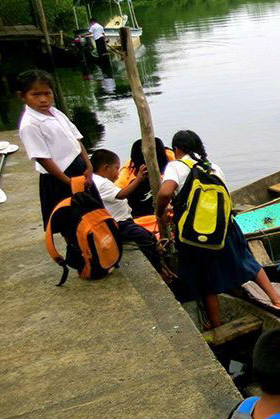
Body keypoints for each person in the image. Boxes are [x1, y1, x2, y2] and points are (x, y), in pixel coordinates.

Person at [156, 129, 280, 327]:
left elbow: (165, 192)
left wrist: (160, 212)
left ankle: (216, 325)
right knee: (246, 260)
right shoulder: (213, 167)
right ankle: (276, 298)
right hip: (225, 227)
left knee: (206, 280)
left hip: (194, 234)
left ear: (176, 149)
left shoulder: (176, 165)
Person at [17, 69, 102, 226]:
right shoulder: (30, 124)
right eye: (35, 95)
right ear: (22, 96)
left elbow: (76, 139)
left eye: (47, 93)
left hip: (80, 170)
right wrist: (68, 182)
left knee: (94, 217)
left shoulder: (55, 112)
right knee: (73, 224)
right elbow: (42, 158)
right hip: (59, 178)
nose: (43, 99)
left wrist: (89, 165)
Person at [90, 148, 162, 271]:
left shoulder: (94, 180)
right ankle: (158, 268)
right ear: (106, 168)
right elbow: (122, 194)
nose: (118, 174)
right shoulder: (102, 184)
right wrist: (138, 179)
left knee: (144, 235)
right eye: (116, 168)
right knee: (148, 238)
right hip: (119, 224)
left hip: (118, 221)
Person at [115, 137, 174, 232]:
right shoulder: (126, 176)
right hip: (140, 222)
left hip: (161, 220)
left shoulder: (170, 165)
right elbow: (118, 193)